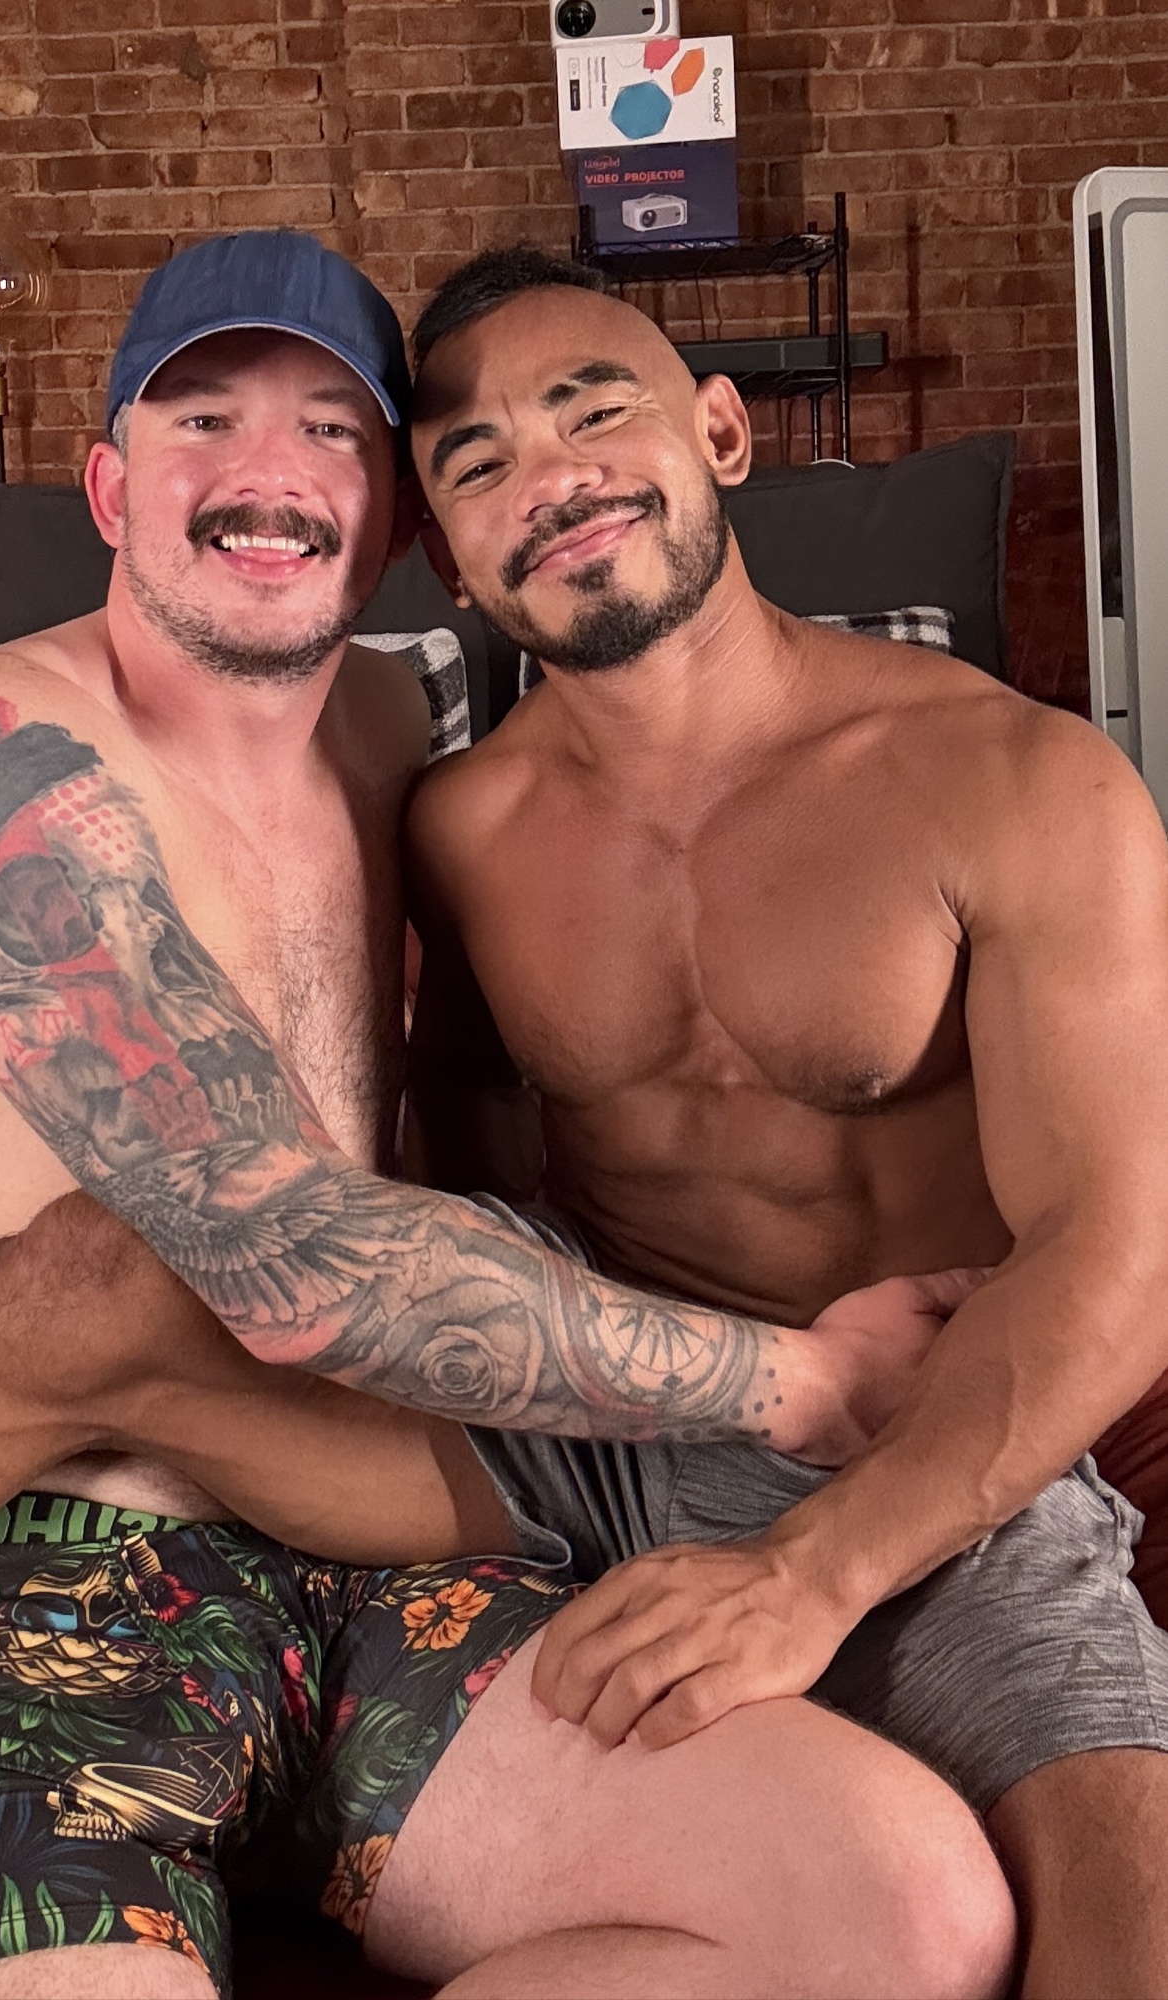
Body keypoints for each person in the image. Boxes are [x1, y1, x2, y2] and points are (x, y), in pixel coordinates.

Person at [0, 232, 1013, 2000]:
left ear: (394, 527)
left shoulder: (381, 728)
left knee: (900, 1912)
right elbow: (280, 1250)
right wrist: (801, 1383)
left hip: (352, 1544)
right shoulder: (5, 755)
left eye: (332, 430)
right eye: (202, 419)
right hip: (2, 1573)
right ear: (110, 489)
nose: (269, 472)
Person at [398, 245, 1168, 1998]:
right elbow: (453, 1180)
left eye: (597, 411)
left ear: (724, 435)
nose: (552, 478)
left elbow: (1121, 1250)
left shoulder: (1017, 778)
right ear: (448, 555)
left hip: (923, 1462)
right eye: (480, 461)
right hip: (595, 1438)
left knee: (1132, 1923)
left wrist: (812, 1575)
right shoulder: (455, 831)